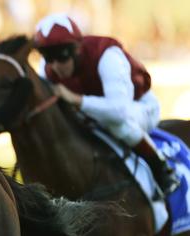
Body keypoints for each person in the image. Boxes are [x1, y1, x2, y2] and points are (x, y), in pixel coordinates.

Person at [33, 13, 179, 195]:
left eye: (61, 56)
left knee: (117, 124)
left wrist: (75, 99)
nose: (54, 66)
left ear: (76, 48)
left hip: (139, 107)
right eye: (48, 57)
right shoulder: (46, 68)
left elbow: (119, 111)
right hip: (96, 113)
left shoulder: (107, 56)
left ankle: (163, 171)